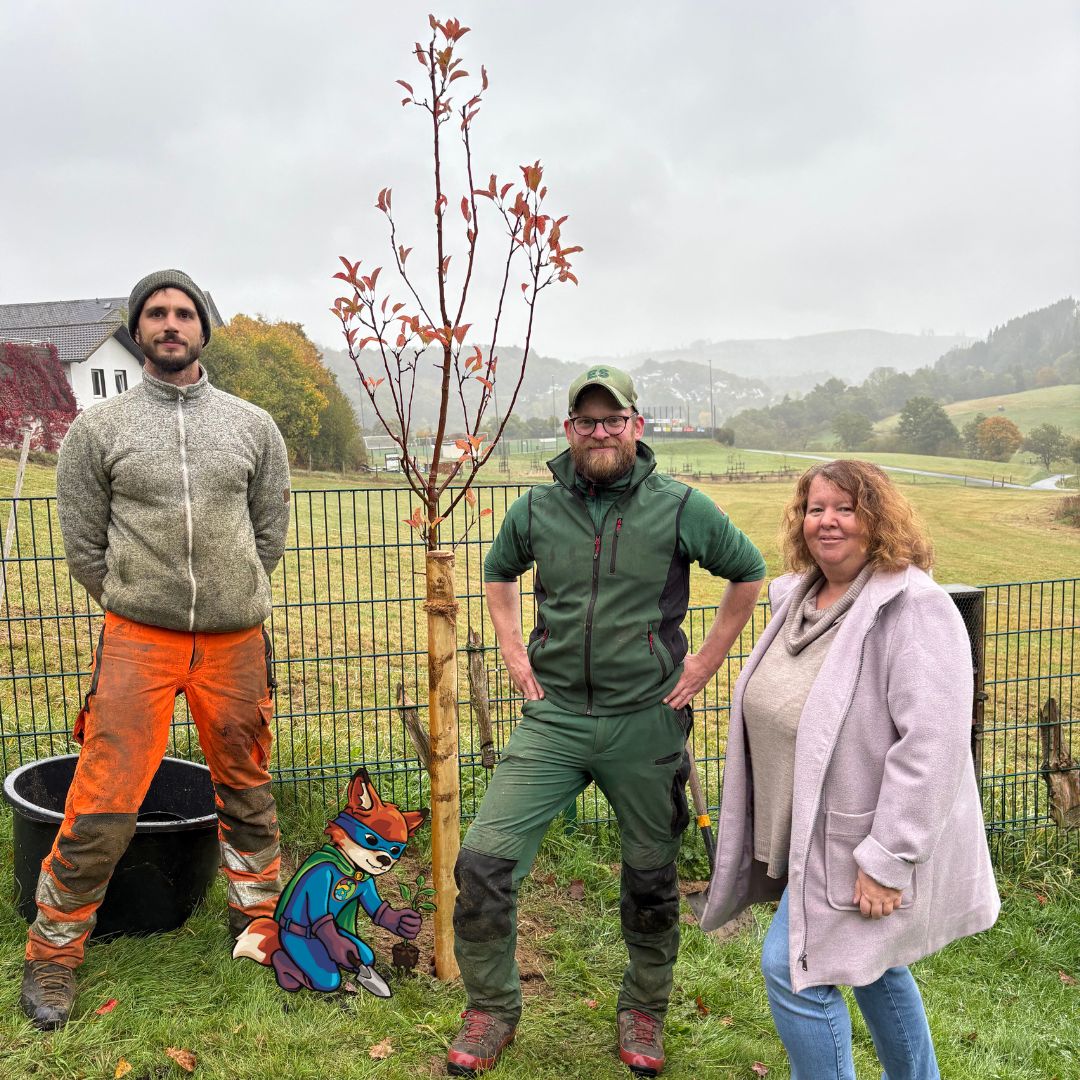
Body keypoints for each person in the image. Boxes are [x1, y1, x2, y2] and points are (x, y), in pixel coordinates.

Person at [447, 366, 766, 1077]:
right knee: (483, 864)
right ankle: (492, 1008)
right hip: (554, 720)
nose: (600, 432)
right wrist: (508, 646)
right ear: (569, 430)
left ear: (636, 426)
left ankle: (644, 1010)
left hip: (645, 722)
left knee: (651, 879)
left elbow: (748, 570)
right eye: (586, 421)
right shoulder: (536, 508)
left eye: (612, 419)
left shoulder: (681, 506)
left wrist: (707, 660)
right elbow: (499, 572)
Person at [20, 269, 292, 1031]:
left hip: (235, 640)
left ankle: (256, 922)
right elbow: (82, 543)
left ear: (203, 327)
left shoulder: (251, 425)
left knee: (246, 785)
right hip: (137, 639)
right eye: (156, 314)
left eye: (183, 313)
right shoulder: (98, 432)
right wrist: (133, 597)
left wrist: (234, 588)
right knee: (103, 797)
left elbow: (267, 531)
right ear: (139, 330)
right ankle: (54, 952)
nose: (171, 324)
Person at [697, 460, 1000, 1079]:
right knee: (872, 964)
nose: (826, 522)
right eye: (815, 508)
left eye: (845, 508)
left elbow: (932, 748)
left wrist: (888, 860)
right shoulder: (800, 598)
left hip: (861, 839)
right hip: (813, 829)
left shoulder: (914, 608)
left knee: (792, 970)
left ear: (878, 519)